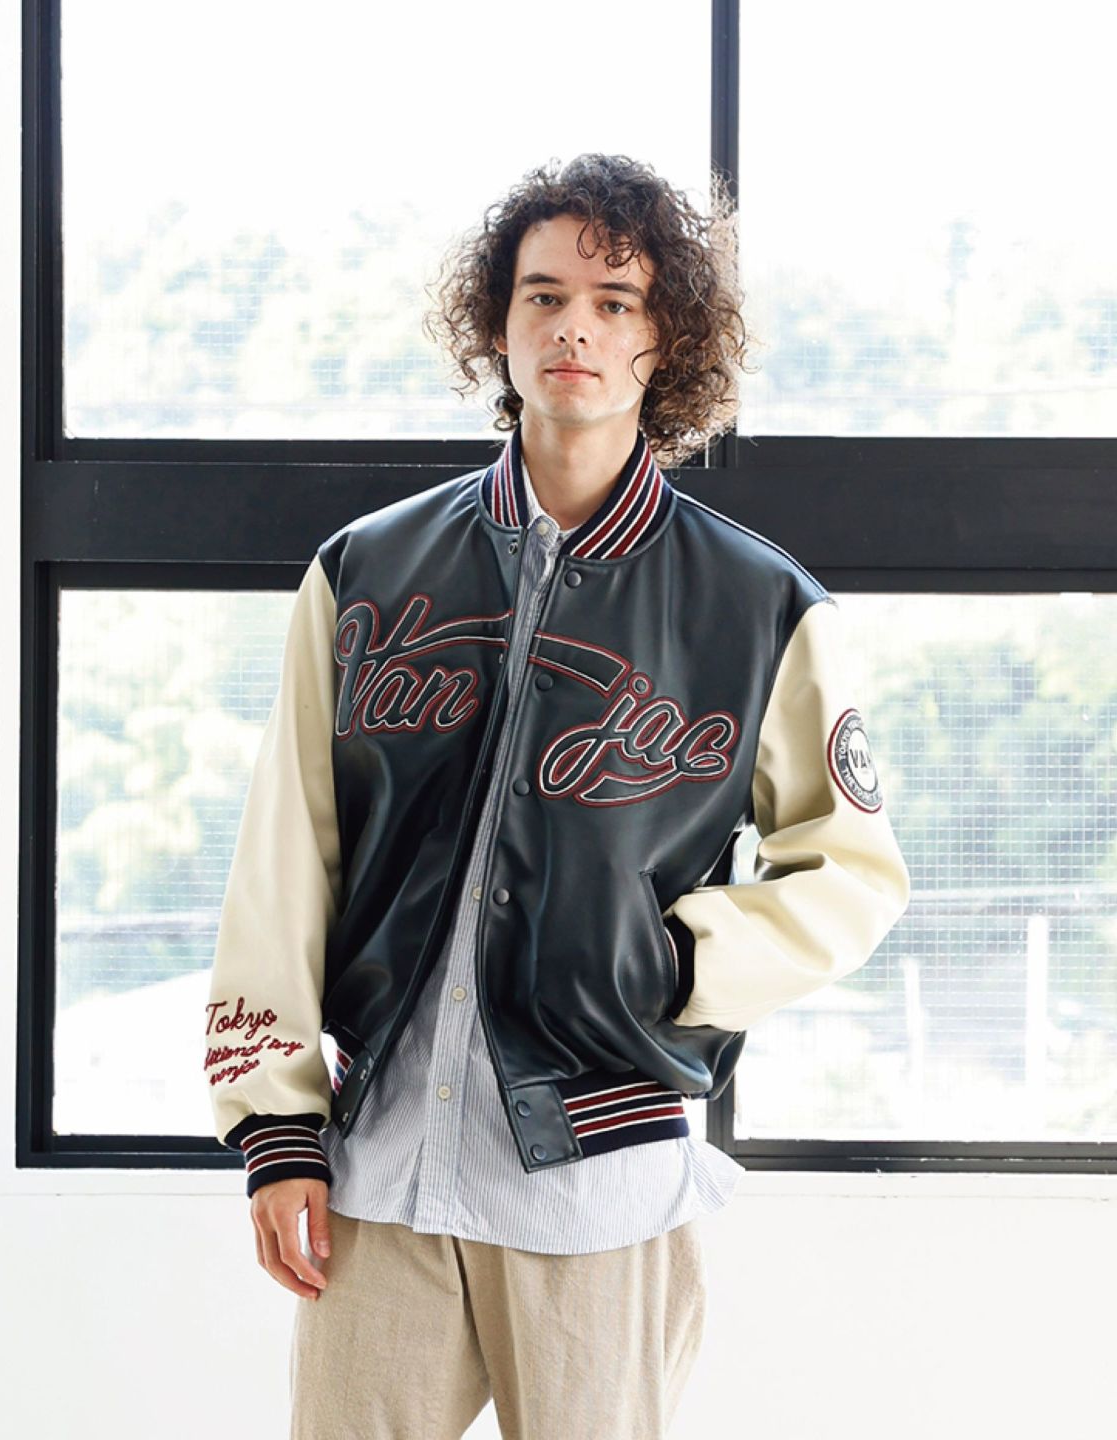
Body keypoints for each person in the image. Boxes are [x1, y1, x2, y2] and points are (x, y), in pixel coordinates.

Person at [203, 153, 912, 1439]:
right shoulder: (364, 571)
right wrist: (276, 1131)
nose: (574, 326)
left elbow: (853, 874)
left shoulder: (760, 605)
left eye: (615, 300)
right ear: (500, 325)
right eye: (543, 296)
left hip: (600, 1184)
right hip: (380, 1171)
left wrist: (676, 960)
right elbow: (285, 858)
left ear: (664, 339)